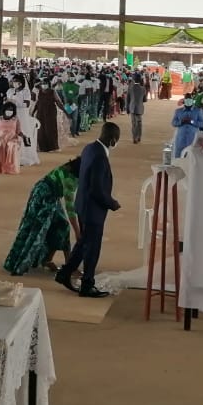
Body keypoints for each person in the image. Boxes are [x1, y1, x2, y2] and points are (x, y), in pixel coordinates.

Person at [56, 122, 120, 298]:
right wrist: (112, 203)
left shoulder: (89, 148)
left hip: (82, 205)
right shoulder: (100, 157)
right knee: (92, 248)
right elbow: (97, 189)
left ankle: (65, 273)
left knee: (83, 242)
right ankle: (87, 285)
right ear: (112, 140)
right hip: (93, 210)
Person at [4, 158, 81, 276]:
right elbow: (70, 208)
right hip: (44, 196)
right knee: (36, 230)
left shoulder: (69, 168)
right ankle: (21, 263)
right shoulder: (70, 179)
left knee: (62, 226)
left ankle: (53, 261)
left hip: (48, 193)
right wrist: (77, 231)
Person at [0, 100, 22, 176]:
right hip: (0, 138)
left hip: (12, 138)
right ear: (4, 110)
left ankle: (10, 168)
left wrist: (24, 137)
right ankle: (1, 167)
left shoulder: (16, 119)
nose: (9, 111)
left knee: (12, 146)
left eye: (11, 109)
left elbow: (19, 131)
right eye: (8, 109)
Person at [125, 75, 147, 144]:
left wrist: (127, 109)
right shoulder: (143, 88)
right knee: (139, 123)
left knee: (134, 123)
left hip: (132, 108)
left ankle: (134, 138)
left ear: (133, 80)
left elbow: (127, 100)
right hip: (139, 108)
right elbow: (145, 100)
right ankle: (139, 137)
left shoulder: (130, 88)